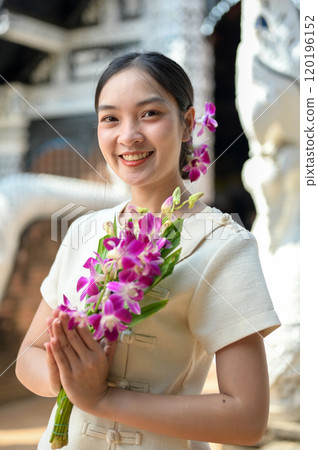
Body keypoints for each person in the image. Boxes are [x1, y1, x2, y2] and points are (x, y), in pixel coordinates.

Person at [16, 52, 280, 449]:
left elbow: (246, 419)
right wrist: (67, 374)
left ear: (188, 123)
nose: (128, 136)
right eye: (110, 118)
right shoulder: (85, 230)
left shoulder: (224, 244)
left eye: (150, 114)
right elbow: (26, 360)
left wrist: (102, 398)